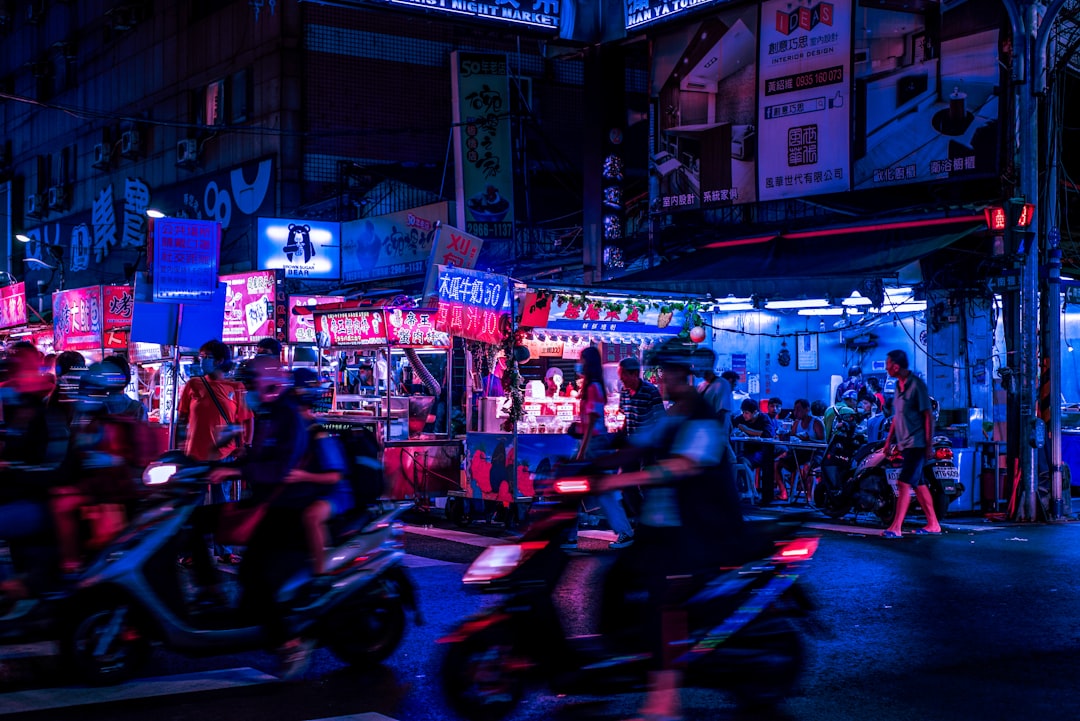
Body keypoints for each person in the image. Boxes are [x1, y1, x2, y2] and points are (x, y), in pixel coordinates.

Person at [589, 338, 745, 721]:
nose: (660, 379)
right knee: (615, 581)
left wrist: (621, 481)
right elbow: (639, 443)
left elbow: (684, 467)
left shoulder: (701, 416)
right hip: (660, 524)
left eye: (664, 372)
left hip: (695, 528)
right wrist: (591, 465)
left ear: (679, 373)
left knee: (662, 600)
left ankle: (663, 701)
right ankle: (621, 661)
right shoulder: (674, 413)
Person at [0, 342, 69, 598]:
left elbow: (52, 467)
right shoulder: (19, 406)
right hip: (17, 495)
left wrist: (12, 468)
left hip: (39, 502)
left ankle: (16, 587)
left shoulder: (48, 411)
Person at [177, 340, 253, 565]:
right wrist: (180, 446)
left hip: (225, 455)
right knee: (193, 507)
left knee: (223, 505)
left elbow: (247, 420)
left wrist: (244, 445)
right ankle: (190, 552)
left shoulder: (237, 388)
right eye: (201, 356)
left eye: (206, 356)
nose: (202, 360)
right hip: (194, 456)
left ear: (219, 360)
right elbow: (182, 419)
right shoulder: (193, 385)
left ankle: (225, 550)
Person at [283, 368, 352, 577]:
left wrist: (302, 476)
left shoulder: (317, 431)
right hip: (307, 490)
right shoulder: (291, 428)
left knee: (311, 516)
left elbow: (335, 476)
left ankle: (321, 573)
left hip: (335, 494)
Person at [567, 346, 634, 550]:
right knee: (575, 490)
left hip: (594, 445)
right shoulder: (591, 386)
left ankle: (625, 532)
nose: (579, 364)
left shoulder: (593, 387)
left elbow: (594, 421)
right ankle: (569, 535)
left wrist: (582, 450)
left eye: (582, 360)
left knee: (601, 492)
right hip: (591, 443)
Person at [882, 349, 942, 538]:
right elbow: (896, 417)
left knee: (903, 483)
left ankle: (896, 527)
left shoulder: (917, 386)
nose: (886, 368)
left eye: (888, 364)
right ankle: (933, 524)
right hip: (905, 444)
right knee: (918, 484)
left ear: (896, 366)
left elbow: (928, 416)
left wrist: (929, 444)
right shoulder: (897, 387)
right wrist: (888, 441)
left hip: (917, 444)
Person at [775, 398, 826, 499]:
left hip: (815, 454)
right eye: (795, 409)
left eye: (798, 409)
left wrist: (809, 439)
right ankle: (783, 492)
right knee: (776, 464)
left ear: (807, 409)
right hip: (799, 454)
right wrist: (784, 436)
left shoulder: (816, 423)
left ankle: (809, 497)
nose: (796, 412)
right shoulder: (796, 424)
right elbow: (792, 438)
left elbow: (824, 443)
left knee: (807, 468)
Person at [731, 397, 776, 504]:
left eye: (746, 413)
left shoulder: (764, 418)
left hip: (763, 451)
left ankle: (752, 491)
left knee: (743, 461)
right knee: (736, 461)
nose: (744, 415)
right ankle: (747, 490)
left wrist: (747, 430)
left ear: (755, 412)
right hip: (748, 451)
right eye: (743, 412)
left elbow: (768, 434)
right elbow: (732, 423)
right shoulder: (741, 419)